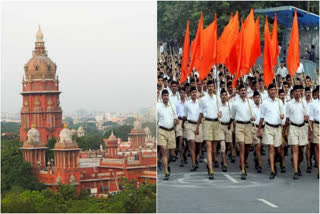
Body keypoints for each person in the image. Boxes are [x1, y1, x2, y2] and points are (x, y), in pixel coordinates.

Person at [197, 80, 223, 179]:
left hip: (216, 122)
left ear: (214, 87)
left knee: (214, 148)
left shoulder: (218, 99)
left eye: (213, 86)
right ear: (207, 87)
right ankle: (211, 169)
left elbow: (220, 111)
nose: (211, 88)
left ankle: (210, 162)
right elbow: (201, 113)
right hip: (207, 122)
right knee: (208, 146)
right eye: (209, 86)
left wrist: (220, 114)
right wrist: (197, 126)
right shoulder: (203, 99)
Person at [258, 83, 285, 179]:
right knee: (271, 147)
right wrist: (259, 129)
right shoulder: (264, 103)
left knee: (278, 149)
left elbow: (283, 115)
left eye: (274, 90)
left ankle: (279, 161)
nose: (273, 91)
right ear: (268, 91)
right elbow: (261, 117)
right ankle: (272, 170)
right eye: (271, 90)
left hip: (278, 128)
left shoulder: (280, 102)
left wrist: (283, 117)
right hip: (268, 127)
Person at [283, 85, 309, 179]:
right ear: (293, 93)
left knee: (301, 150)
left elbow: (307, 116)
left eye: (299, 91)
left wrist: (307, 118)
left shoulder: (304, 103)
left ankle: (298, 165)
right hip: (293, 127)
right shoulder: (289, 104)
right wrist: (284, 130)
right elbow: (287, 118)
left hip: (302, 127)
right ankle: (295, 170)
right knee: (295, 148)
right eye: (296, 91)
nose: (298, 93)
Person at [231, 84, 254, 180]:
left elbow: (254, 114)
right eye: (242, 90)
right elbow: (232, 115)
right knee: (242, 146)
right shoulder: (235, 103)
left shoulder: (250, 102)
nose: (243, 92)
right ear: (239, 92)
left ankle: (243, 161)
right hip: (239, 126)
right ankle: (243, 170)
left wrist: (254, 117)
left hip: (248, 125)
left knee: (248, 147)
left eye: (245, 90)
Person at [157, 89, 179, 180]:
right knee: (163, 149)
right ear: (161, 97)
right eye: (164, 96)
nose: (166, 97)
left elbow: (175, 118)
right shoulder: (158, 106)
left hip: (171, 131)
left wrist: (176, 121)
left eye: (167, 95)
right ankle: (166, 171)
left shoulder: (172, 106)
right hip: (162, 130)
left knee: (172, 153)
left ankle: (167, 164)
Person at [183, 87, 202, 172]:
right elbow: (185, 115)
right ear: (190, 94)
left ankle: (196, 158)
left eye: (195, 92)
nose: (194, 93)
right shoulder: (187, 104)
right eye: (192, 92)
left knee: (198, 145)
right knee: (192, 143)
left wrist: (198, 126)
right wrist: (183, 123)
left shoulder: (200, 103)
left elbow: (202, 115)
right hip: (189, 124)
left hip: (199, 125)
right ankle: (193, 163)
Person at [219, 88, 232, 170]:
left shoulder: (230, 105)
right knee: (222, 145)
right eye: (222, 95)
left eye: (225, 95)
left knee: (227, 143)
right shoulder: (217, 105)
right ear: (220, 96)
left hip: (228, 126)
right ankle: (224, 163)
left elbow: (232, 116)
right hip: (220, 126)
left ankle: (223, 156)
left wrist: (230, 123)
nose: (224, 97)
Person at [309, 86, 319, 178]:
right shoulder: (313, 104)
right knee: (317, 147)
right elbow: (311, 119)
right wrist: (310, 132)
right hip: (316, 125)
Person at [175, 87, 187, 167]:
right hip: (179, 121)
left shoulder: (188, 103)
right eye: (181, 92)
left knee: (188, 143)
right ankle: (181, 159)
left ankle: (184, 154)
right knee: (181, 141)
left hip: (186, 122)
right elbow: (175, 114)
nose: (182, 94)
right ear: (179, 93)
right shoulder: (177, 103)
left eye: (183, 92)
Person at [252, 91, 263, 173]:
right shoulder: (251, 107)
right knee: (258, 146)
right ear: (253, 98)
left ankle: (257, 157)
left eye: (258, 97)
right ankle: (259, 164)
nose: (257, 99)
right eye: (256, 97)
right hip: (255, 127)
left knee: (261, 146)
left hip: (263, 128)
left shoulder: (263, 107)